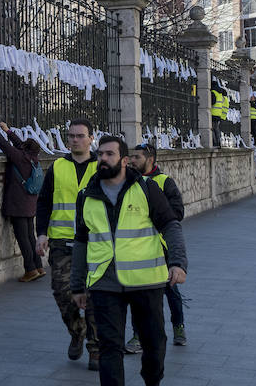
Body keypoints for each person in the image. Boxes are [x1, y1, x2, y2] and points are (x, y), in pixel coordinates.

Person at [71, 136, 188, 386]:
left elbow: (170, 225)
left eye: (109, 154)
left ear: (124, 160)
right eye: (100, 154)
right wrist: (77, 285)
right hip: (104, 283)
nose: (103, 158)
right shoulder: (86, 195)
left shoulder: (146, 188)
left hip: (146, 281)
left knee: (154, 344)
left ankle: (152, 380)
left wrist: (177, 262)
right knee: (110, 347)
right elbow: (81, 241)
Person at [36, 118, 100, 370]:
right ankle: (77, 331)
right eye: (71, 135)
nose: (74, 140)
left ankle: (96, 349)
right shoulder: (58, 166)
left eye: (80, 136)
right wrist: (42, 233)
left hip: (96, 242)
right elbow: (44, 202)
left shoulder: (102, 166)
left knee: (94, 297)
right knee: (63, 293)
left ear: (91, 138)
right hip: (62, 241)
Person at [125, 144, 187, 352]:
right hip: (137, 248)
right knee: (137, 293)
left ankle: (178, 326)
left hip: (162, 246)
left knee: (170, 289)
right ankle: (137, 336)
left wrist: (156, 216)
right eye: (131, 157)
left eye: (136, 157)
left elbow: (177, 213)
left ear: (149, 159)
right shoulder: (129, 183)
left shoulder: (164, 182)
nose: (132, 160)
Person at [0, 122, 46, 282]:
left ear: (25, 148)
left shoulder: (20, 158)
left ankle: (30, 270)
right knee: (30, 236)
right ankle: (39, 266)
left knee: (23, 238)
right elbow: (19, 144)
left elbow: (4, 145)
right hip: (30, 204)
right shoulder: (34, 159)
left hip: (19, 204)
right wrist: (8, 130)